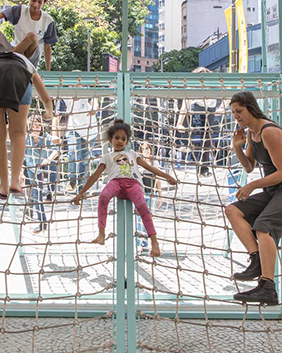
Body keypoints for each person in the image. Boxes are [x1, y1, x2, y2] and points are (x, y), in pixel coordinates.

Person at [224, 92, 282, 306]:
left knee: (264, 227)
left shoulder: (269, 131)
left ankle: (267, 287)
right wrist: (237, 148)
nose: (236, 116)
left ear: (251, 108)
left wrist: (252, 185)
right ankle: (256, 260)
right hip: (275, 190)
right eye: (233, 112)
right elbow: (250, 166)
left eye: (239, 111)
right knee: (233, 210)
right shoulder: (253, 134)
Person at [72, 119, 178, 258]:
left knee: (142, 206)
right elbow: (95, 176)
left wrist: (167, 176)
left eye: (123, 138)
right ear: (110, 139)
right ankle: (101, 233)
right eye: (117, 138)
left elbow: (149, 167)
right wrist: (80, 193)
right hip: (116, 182)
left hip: (132, 183)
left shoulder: (132, 154)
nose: (120, 141)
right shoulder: (107, 157)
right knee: (103, 197)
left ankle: (154, 241)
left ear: (127, 141)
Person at [0, 38, 55, 199]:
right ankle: (15, 181)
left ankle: (3, 184)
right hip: (18, 81)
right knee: (18, 133)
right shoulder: (26, 64)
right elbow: (46, 99)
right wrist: (49, 114)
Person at [24, 115, 59, 234]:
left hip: (42, 165)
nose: (36, 128)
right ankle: (40, 220)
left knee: (53, 165)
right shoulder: (26, 138)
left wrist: (48, 159)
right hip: (31, 167)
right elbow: (19, 154)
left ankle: (50, 191)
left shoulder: (46, 138)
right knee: (36, 194)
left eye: (38, 126)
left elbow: (56, 150)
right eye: (33, 126)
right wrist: (19, 172)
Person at [65, 96, 94, 194]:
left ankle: (81, 188)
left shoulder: (86, 90)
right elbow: (57, 115)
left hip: (89, 130)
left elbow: (94, 99)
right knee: (73, 152)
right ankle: (72, 179)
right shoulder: (66, 95)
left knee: (84, 161)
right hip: (74, 128)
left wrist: (95, 107)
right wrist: (55, 134)